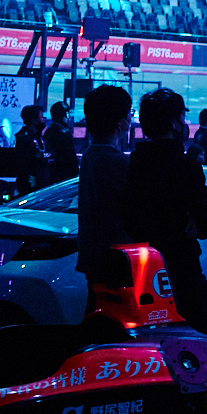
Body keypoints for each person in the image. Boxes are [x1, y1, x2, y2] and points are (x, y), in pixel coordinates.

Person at [124, 88, 207, 331]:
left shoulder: (134, 165)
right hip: (183, 271)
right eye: (182, 118)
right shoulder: (185, 166)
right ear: (174, 123)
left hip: (143, 275)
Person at [75, 84, 133, 299]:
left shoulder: (90, 155)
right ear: (120, 122)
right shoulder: (117, 162)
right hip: (116, 259)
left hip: (94, 257)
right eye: (129, 113)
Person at [44, 101, 79, 186]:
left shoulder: (50, 131)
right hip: (64, 175)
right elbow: (68, 156)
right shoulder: (61, 133)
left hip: (55, 174)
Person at [14, 104, 45, 194]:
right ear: (34, 120)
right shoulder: (25, 138)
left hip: (40, 181)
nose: (44, 119)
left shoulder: (39, 136)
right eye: (41, 117)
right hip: (30, 183)